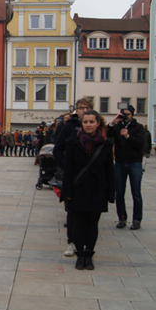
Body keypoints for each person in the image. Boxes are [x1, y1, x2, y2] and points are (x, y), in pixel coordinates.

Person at [61, 109, 115, 271]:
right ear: (82, 124)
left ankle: (89, 256)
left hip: (97, 188)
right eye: (85, 122)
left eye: (91, 122)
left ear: (98, 123)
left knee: (92, 224)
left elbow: (109, 170)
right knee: (78, 224)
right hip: (78, 189)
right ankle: (80, 256)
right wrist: (67, 192)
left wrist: (110, 193)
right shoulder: (73, 142)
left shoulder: (105, 143)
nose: (88, 125)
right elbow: (68, 169)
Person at [54, 99, 92, 257]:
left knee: (89, 213)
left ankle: (87, 245)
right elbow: (57, 149)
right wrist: (66, 166)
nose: (83, 110)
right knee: (71, 212)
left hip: (91, 177)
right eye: (81, 108)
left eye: (87, 108)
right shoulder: (70, 126)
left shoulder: (96, 128)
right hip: (73, 176)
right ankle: (71, 242)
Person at [107, 104, 145, 230]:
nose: (125, 116)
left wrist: (128, 137)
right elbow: (107, 135)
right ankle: (122, 218)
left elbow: (140, 144)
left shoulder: (138, 127)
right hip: (120, 163)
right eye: (123, 114)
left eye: (127, 114)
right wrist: (113, 122)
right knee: (119, 193)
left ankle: (137, 219)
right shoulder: (118, 126)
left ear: (133, 115)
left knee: (136, 193)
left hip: (134, 163)